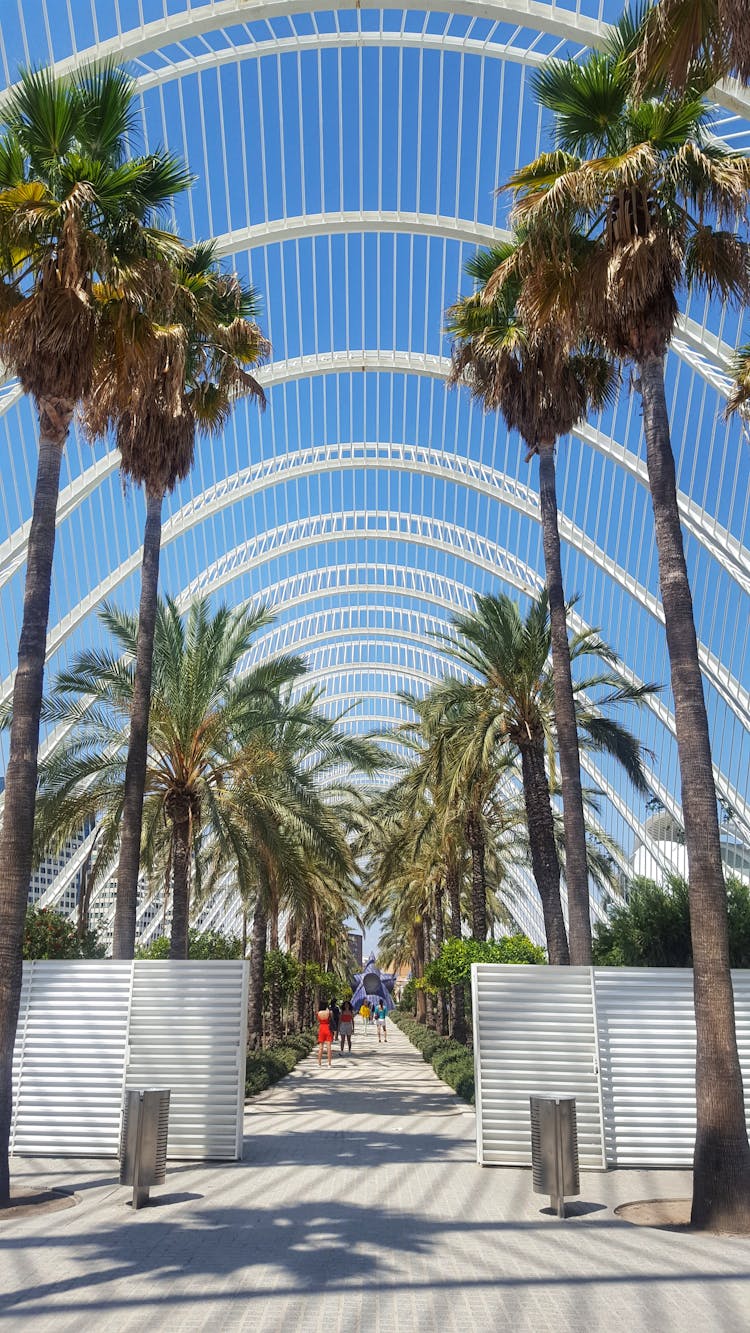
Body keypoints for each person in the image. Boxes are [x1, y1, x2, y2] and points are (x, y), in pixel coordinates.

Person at [316, 1000, 334, 1068]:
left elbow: (318, 1020)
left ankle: (319, 1063)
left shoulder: (318, 1013)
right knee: (329, 1047)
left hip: (321, 1028)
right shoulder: (329, 1012)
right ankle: (329, 1064)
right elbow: (331, 1019)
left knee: (321, 1047)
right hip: (327, 1028)